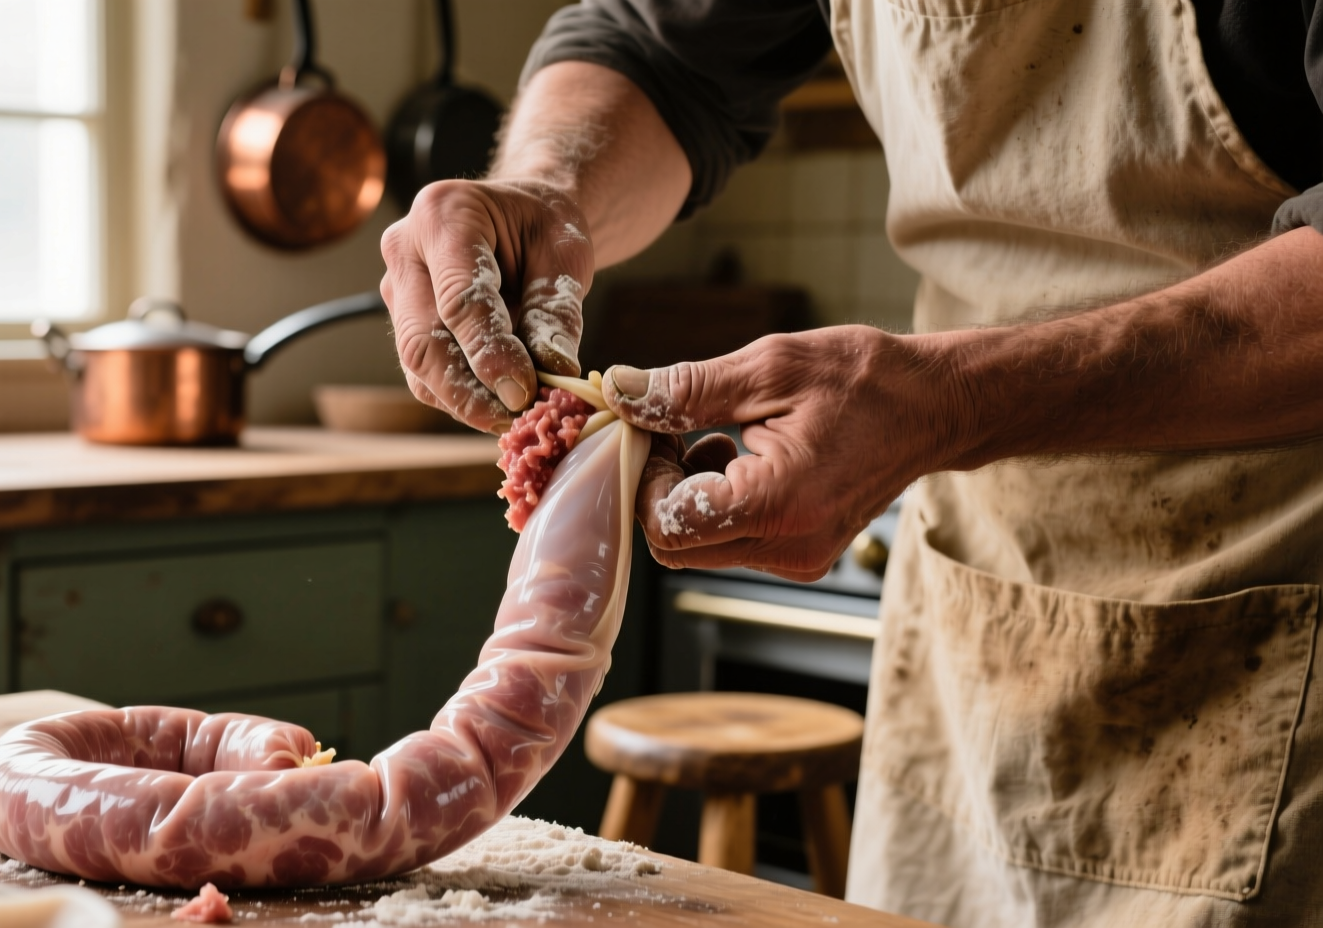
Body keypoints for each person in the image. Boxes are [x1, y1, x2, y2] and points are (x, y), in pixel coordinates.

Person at [378, 2, 1323, 926]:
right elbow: (661, 50)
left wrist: (953, 400)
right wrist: (549, 191)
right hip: (975, 583)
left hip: (1274, 589)